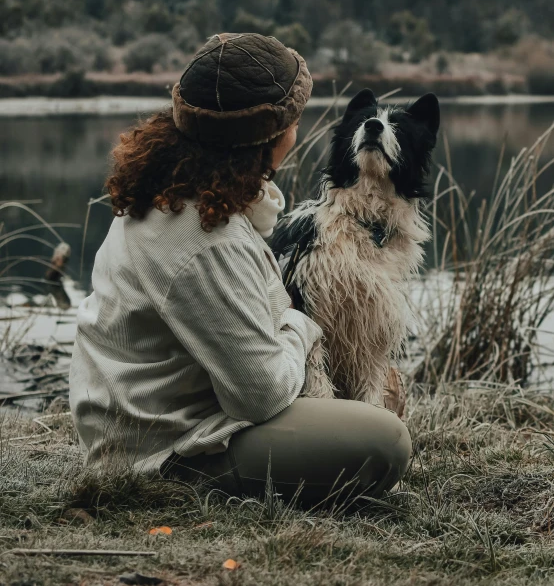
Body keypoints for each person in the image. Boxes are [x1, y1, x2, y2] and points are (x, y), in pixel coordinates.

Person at [69, 32, 411, 507]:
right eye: (294, 116)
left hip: (139, 422)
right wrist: (297, 324)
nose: (299, 126)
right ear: (272, 134)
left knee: (373, 411)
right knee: (386, 442)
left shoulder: (174, 190)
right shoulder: (207, 240)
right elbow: (262, 396)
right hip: (164, 449)